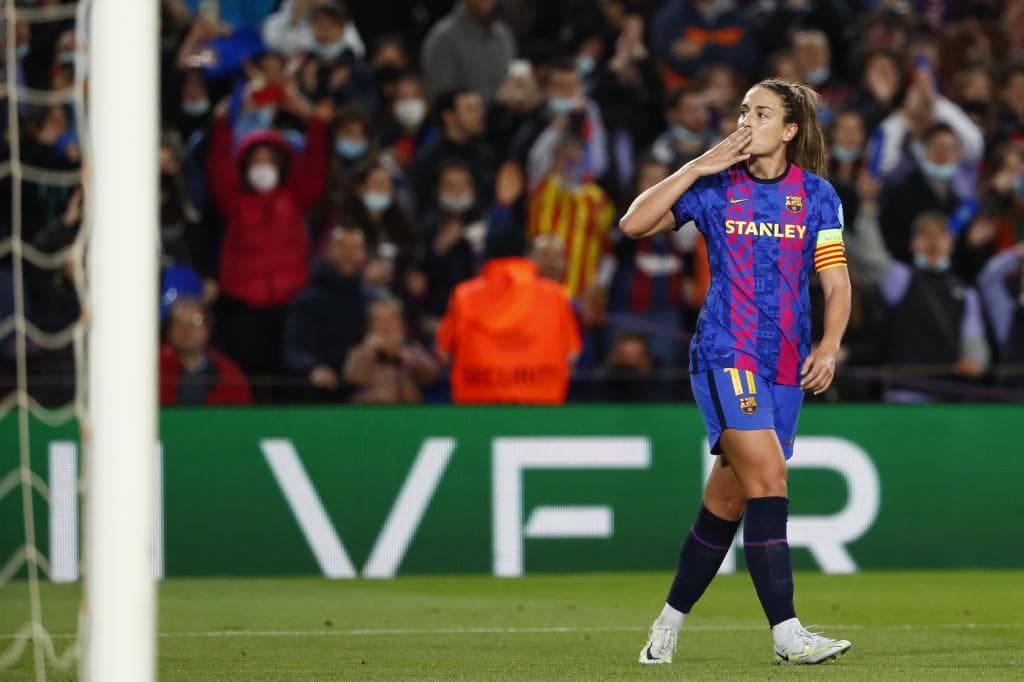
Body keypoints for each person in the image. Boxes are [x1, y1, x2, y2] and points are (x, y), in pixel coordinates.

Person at [619, 78, 853, 665]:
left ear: (790, 130)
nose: (747, 122)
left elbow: (835, 281)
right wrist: (699, 165)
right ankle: (787, 635)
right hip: (727, 353)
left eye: (762, 114)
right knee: (770, 480)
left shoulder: (817, 196)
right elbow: (633, 224)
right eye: (744, 111)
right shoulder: (715, 186)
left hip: (785, 363)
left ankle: (666, 627)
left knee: (727, 502)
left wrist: (828, 346)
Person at [436, 231, 582, 404]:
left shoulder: (463, 295)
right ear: (527, 257)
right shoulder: (556, 296)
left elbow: (442, 354)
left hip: (478, 410)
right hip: (539, 409)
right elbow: (572, 356)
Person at [343, 298, 439, 403]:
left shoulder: (413, 349)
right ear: (370, 327)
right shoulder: (360, 351)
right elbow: (353, 378)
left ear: (402, 325)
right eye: (379, 321)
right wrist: (369, 351)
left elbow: (431, 376)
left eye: (391, 320)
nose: (386, 327)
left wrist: (402, 355)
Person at [159, 298, 253, 406]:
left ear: (208, 329)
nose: (187, 330)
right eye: (178, 323)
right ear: (168, 330)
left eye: (196, 322)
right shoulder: (151, 367)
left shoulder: (228, 372)